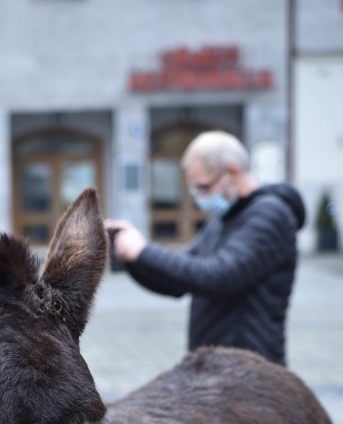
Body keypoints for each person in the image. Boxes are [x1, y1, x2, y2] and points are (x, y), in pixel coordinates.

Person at [105, 130, 306, 367]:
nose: (199, 198)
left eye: (203, 187)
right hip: (215, 367)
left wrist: (143, 251)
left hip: (251, 373)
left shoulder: (270, 215)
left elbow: (218, 276)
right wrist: (131, 258)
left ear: (232, 172)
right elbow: (179, 279)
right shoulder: (225, 217)